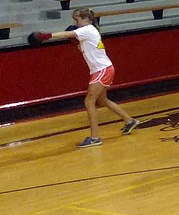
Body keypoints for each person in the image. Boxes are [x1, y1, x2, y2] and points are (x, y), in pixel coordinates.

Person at [27, 8, 139, 147]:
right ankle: (130, 121)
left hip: (101, 70)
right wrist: (77, 44)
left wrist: (45, 36)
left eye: (77, 20)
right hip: (102, 69)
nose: (76, 23)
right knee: (102, 100)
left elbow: (66, 33)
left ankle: (95, 137)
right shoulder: (89, 32)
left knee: (89, 101)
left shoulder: (88, 29)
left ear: (86, 19)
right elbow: (84, 49)